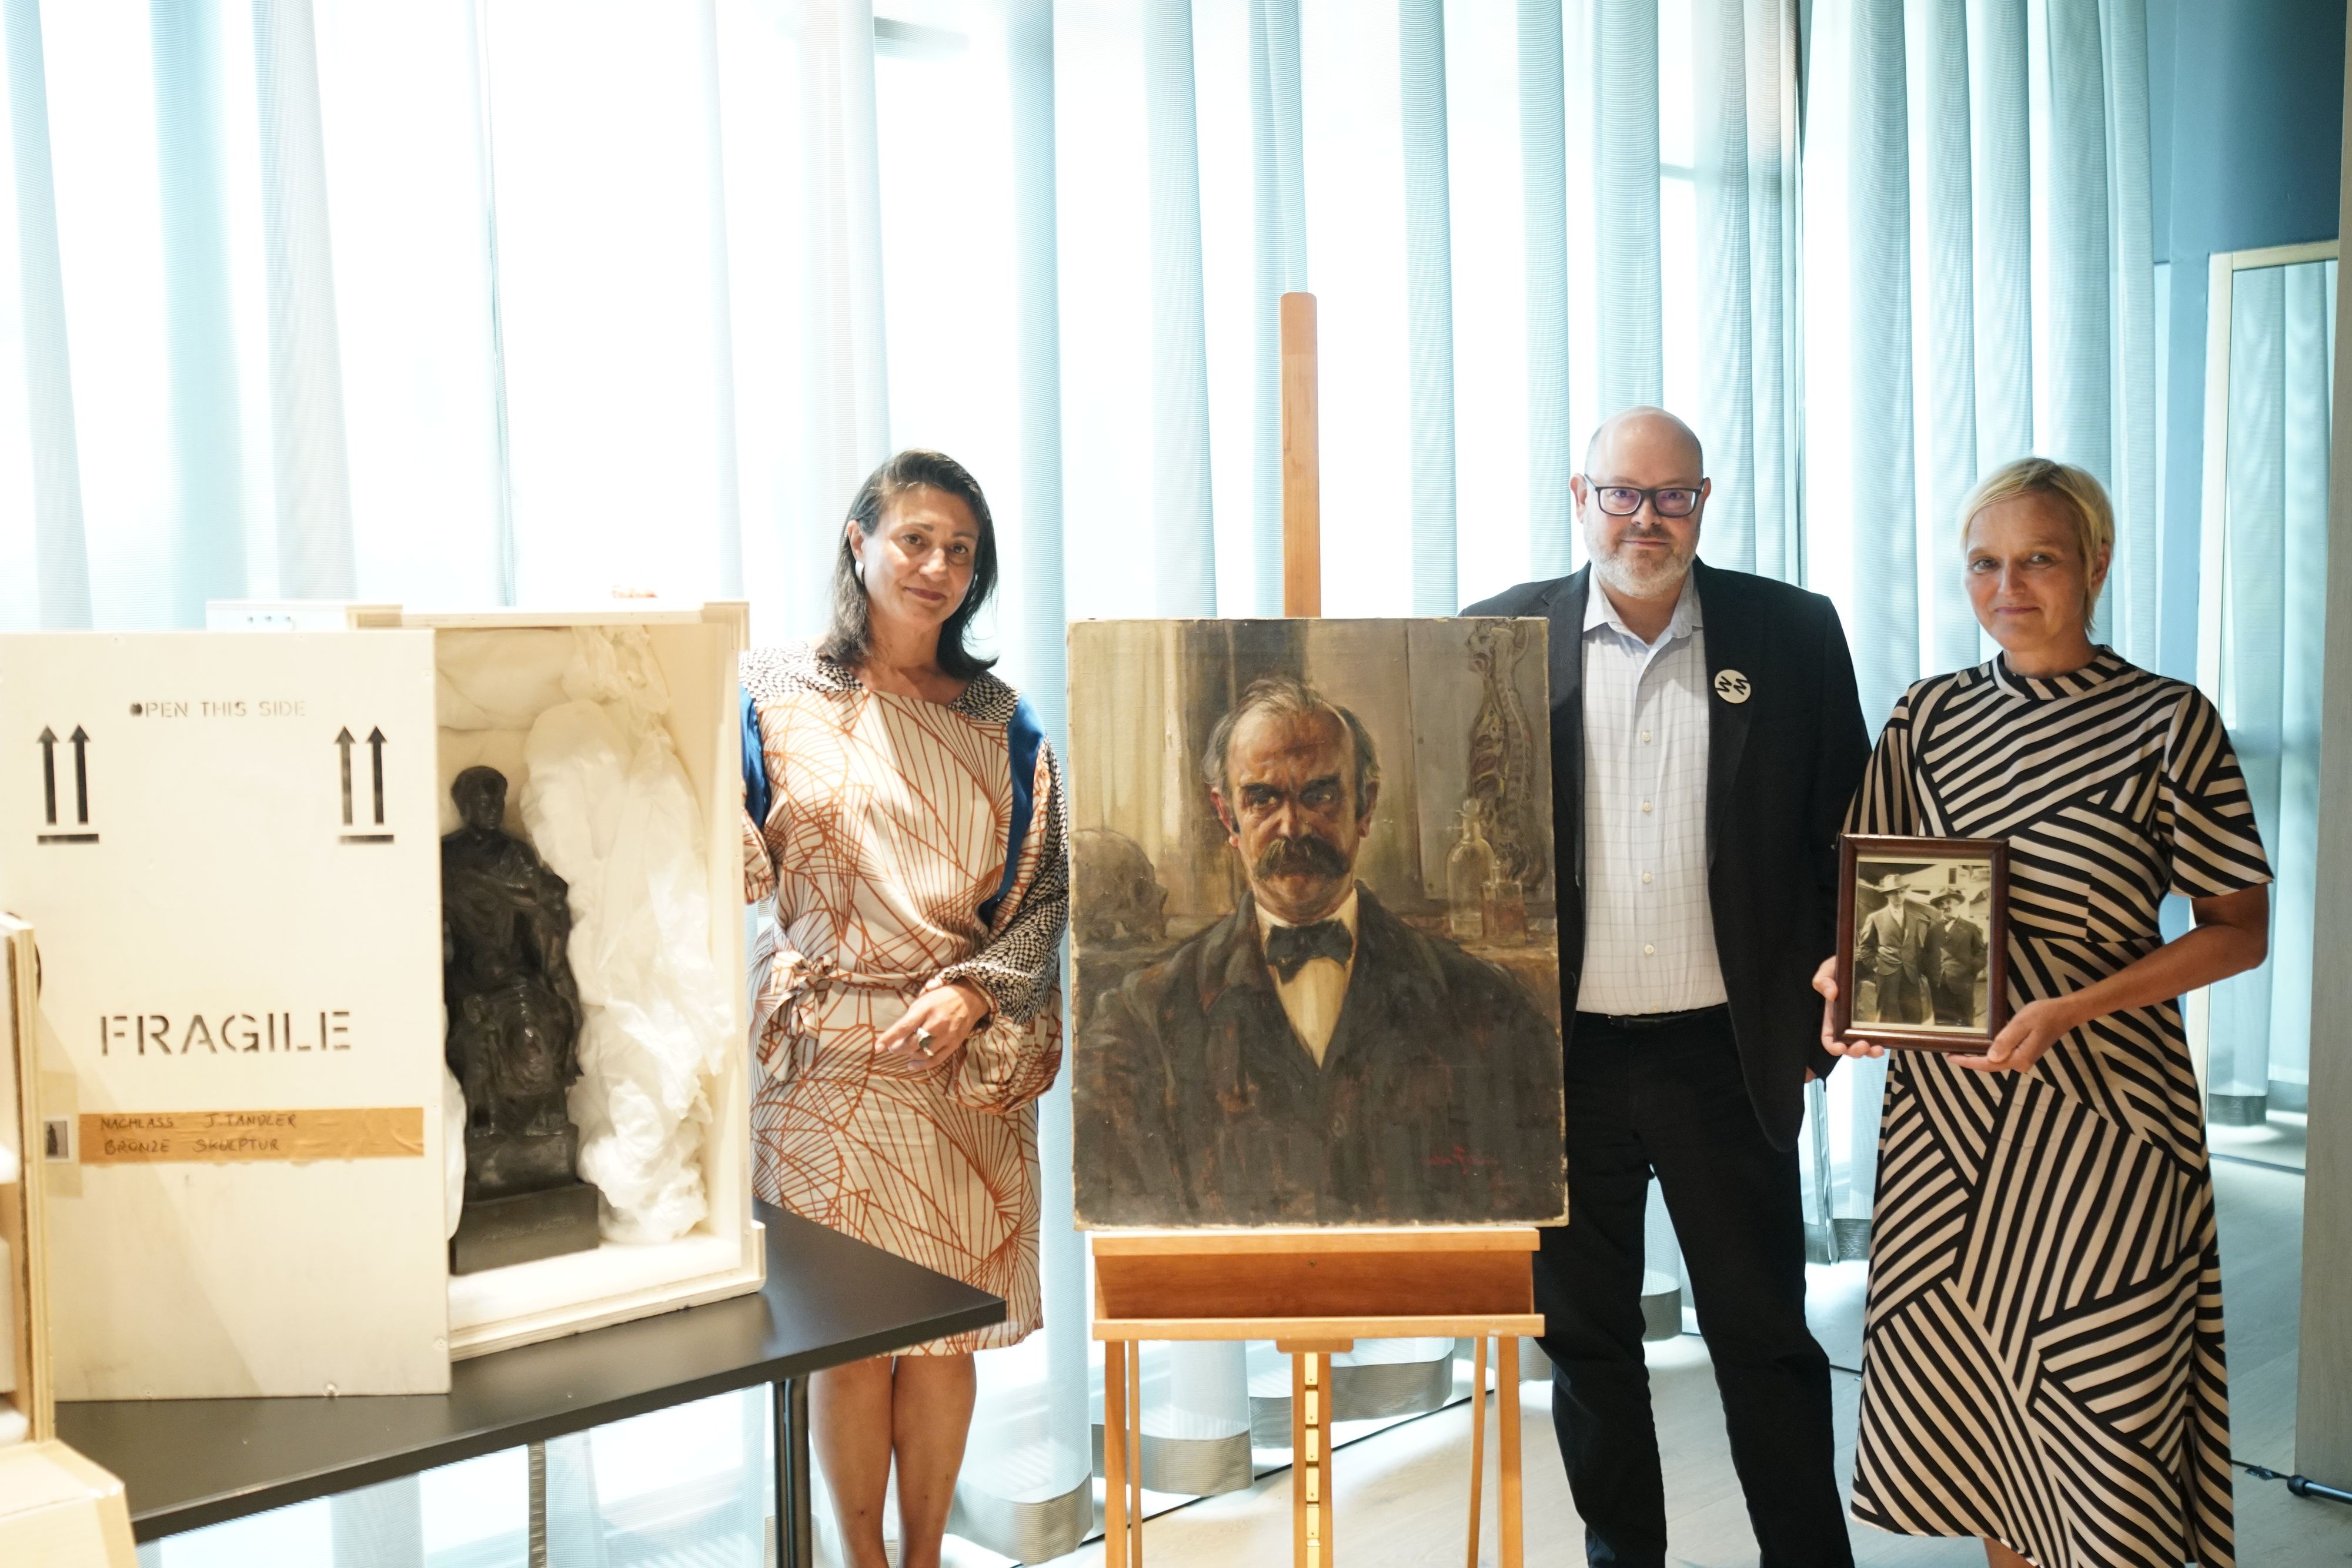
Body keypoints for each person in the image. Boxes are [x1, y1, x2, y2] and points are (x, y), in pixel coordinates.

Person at [1816, 457, 2270, 1568]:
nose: (2007, 586)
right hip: (1951, 1131)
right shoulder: (1927, 715)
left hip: (2107, 1126)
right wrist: (1848, 975)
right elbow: (1883, 900)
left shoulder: (2170, 723)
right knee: (1989, 1430)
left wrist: (2080, 1005)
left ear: (2096, 564)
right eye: (1985, 562)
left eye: (2038, 560)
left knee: (2106, 1416)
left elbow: (2239, 928)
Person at [1463, 406, 1868, 1567]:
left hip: (1722, 1051)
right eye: (1621, 493)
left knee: (1761, 1336)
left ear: (1703, 499)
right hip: (1559, 1064)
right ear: (1577, 495)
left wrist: (1826, 1014)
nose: (1645, 518)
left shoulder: (1787, 632)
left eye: (1671, 495)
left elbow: (1842, 836)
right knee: (1588, 1345)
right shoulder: (1493, 636)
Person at [740, 450, 1068, 1568]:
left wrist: (977, 990)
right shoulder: (772, 693)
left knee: (940, 1337)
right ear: (859, 541)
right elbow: (715, 851)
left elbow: (1044, 896)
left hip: (955, 1064)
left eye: (960, 550)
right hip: (824, 1060)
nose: (936, 566)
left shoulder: (1004, 722)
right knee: (846, 1341)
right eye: (915, 539)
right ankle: (863, 1558)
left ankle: (925, 1554)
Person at [1078, 676, 1563, 1226]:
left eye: (1320, 794)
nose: (1294, 825)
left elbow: (1518, 1221)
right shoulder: (1139, 1022)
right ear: (1226, 816)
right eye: (1262, 798)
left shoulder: (1489, 1006)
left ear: (1366, 805)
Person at [1853, 874, 1932, 1024]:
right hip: (1886, 973)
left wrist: (1918, 970)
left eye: (1902, 892)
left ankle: (1912, 1047)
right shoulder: (1875, 918)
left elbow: (1916, 947)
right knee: (1886, 1016)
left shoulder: (1913, 919)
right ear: (1888, 894)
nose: (1898, 896)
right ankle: (1886, 1048)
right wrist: (1877, 967)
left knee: (1914, 1016)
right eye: (1894, 892)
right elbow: (1865, 948)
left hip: (1910, 974)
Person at [1927, 887, 1987, 1026]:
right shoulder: (1933, 930)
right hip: (1938, 985)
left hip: (1963, 985)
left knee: (1965, 1022)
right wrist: (1931, 974)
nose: (1945, 906)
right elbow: (1927, 954)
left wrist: (1969, 972)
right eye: (1941, 904)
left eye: (1948, 902)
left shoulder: (1971, 928)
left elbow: (1981, 954)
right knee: (1941, 1022)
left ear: (1958, 904)